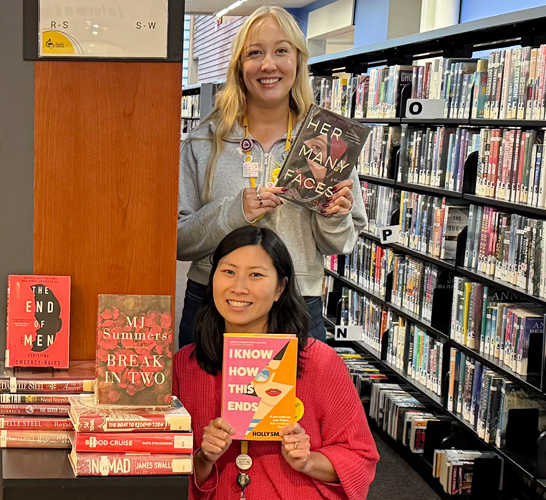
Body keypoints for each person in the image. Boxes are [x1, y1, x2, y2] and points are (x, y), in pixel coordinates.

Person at [177, 5, 366, 346]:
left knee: (295, 386)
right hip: (215, 303)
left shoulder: (328, 140)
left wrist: (334, 216)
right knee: (201, 384)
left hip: (296, 303)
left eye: (281, 51)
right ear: (239, 65)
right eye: (255, 53)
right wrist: (233, 213)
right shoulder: (204, 142)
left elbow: (342, 244)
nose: (268, 65)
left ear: (298, 61)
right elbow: (178, 241)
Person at [173, 226, 378, 500]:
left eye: (256, 275)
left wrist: (309, 462)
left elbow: (360, 457)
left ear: (280, 288)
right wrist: (203, 458)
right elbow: (166, 470)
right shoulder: (185, 365)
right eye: (228, 271)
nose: (238, 287)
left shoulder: (319, 362)